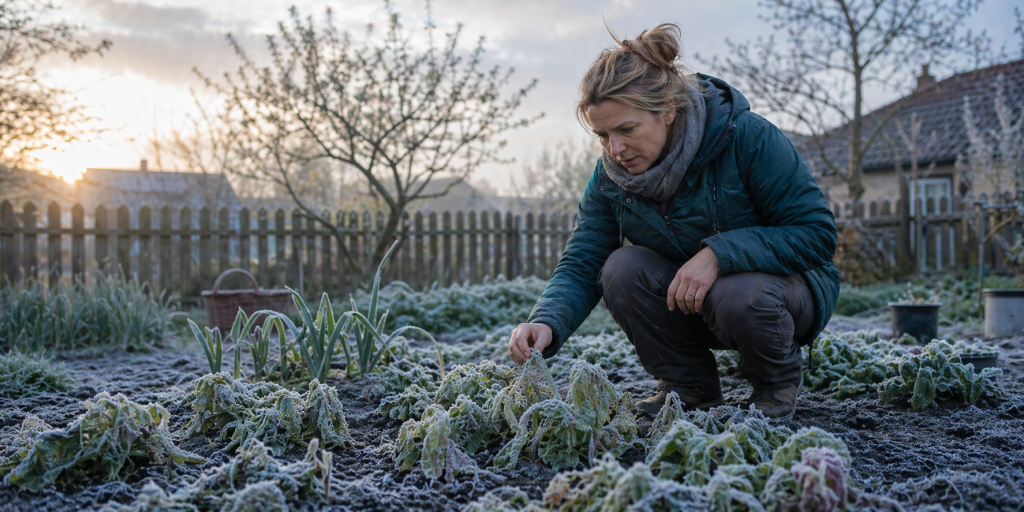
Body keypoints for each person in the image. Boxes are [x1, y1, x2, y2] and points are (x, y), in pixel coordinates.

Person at [506, 24, 839, 421]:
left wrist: (719, 255)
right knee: (621, 268)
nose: (615, 149)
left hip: (780, 296)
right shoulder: (611, 177)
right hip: (691, 302)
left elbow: (816, 235)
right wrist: (545, 322)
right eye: (603, 135)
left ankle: (774, 384)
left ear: (667, 109)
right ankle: (687, 387)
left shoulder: (747, 138)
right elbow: (583, 262)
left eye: (627, 129)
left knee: (738, 292)